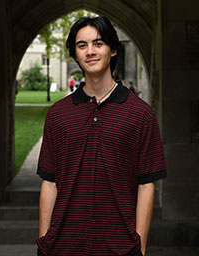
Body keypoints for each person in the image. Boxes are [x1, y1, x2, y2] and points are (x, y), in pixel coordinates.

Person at [36, 16, 167, 256]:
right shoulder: (57, 114)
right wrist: (44, 241)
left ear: (113, 49)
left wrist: (140, 247)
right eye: (82, 45)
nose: (90, 51)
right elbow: (49, 181)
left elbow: (146, 184)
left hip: (120, 247)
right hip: (63, 247)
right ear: (75, 54)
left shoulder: (140, 114)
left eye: (98, 43)